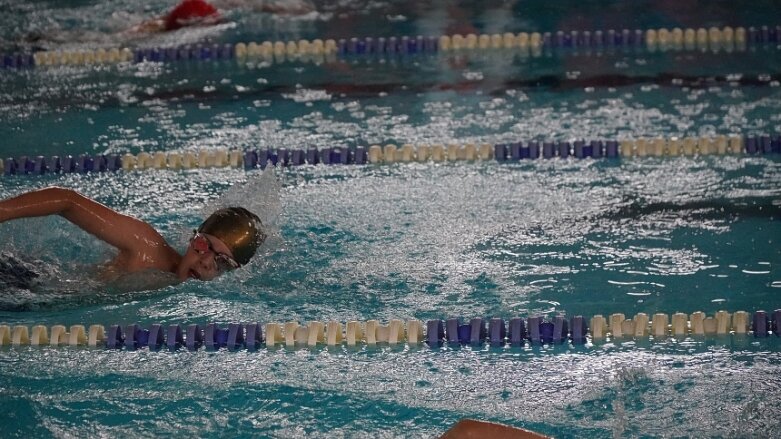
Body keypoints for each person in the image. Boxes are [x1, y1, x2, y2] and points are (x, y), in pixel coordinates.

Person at [0, 186, 265, 282]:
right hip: (24, 281)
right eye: (203, 245)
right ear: (192, 238)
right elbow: (67, 201)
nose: (207, 262)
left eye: (222, 262)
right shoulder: (146, 248)